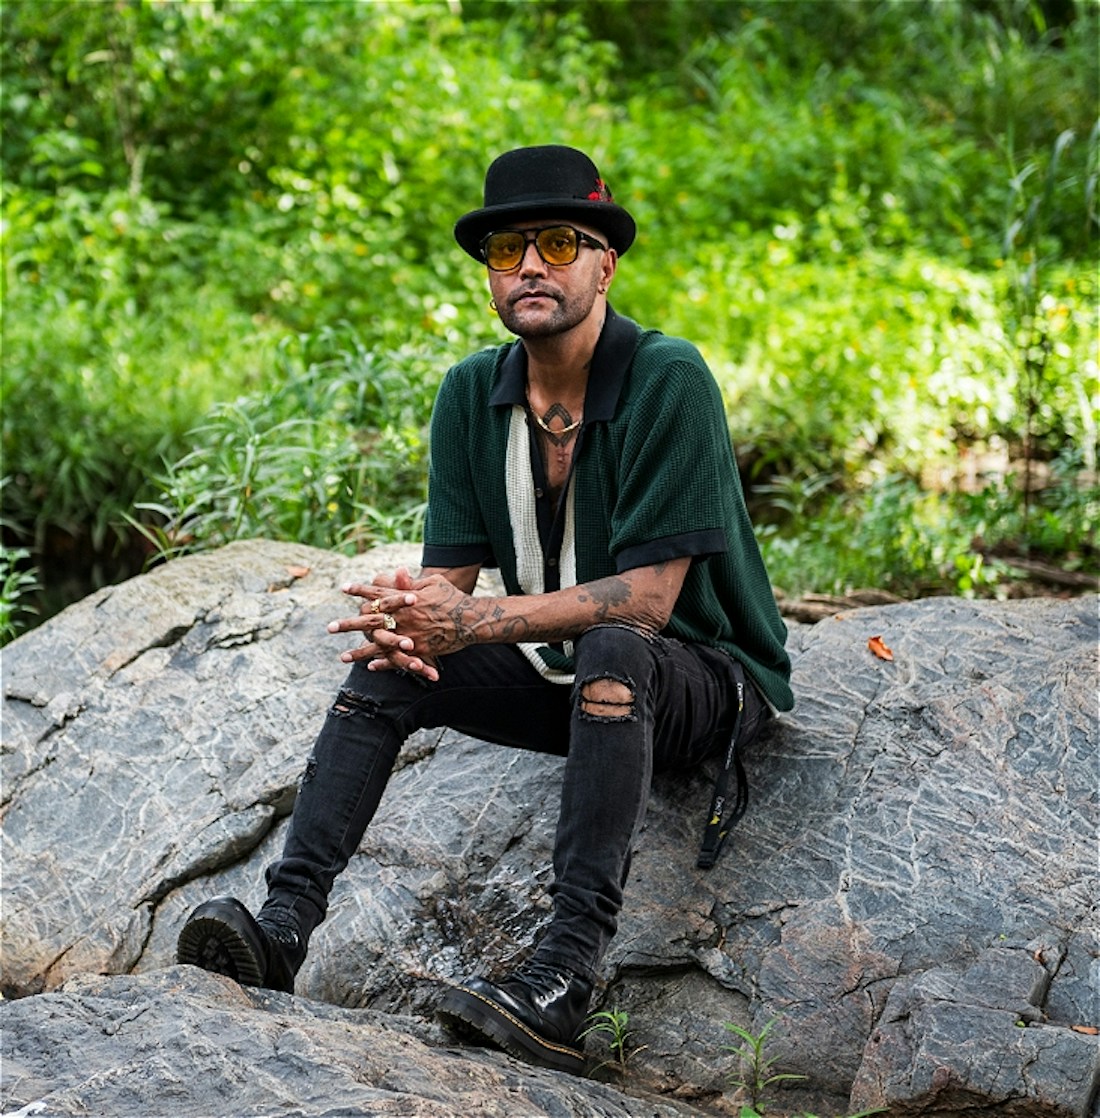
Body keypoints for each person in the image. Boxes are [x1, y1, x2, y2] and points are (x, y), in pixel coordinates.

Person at [176, 144, 793, 1075]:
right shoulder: (472, 393)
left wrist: (470, 625)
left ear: (605, 263)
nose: (532, 265)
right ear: (491, 274)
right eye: (509, 249)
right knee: (389, 661)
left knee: (616, 648)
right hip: (571, 679)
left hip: (701, 679)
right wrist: (407, 617)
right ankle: (283, 932)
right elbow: (449, 592)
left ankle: (562, 980)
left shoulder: (669, 378)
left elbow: (651, 602)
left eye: (558, 241)